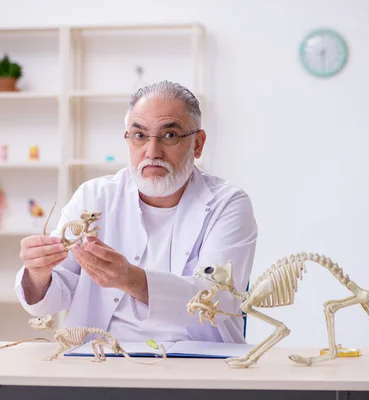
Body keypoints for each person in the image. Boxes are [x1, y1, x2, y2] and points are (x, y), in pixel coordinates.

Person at [15, 80, 258, 344]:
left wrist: (132, 279)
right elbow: (51, 297)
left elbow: (218, 299)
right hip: (100, 360)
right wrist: (38, 273)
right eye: (140, 136)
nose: (152, 152)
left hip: (198, 363)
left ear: (197, 144)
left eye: (170, 135)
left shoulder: (228, 204)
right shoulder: (94, 197)